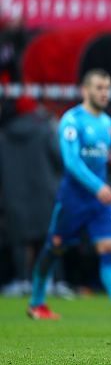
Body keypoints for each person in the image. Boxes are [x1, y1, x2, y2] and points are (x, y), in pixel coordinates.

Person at [27, 69, 111, 320]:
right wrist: (98, 187)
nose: (104, 93)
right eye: (99, 88)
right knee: (54, 248)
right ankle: (36, 302)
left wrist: (101, 189)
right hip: (74, 198)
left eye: (108, 88)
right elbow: (71, 162)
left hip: (100, 201)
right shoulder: (72, 120)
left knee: (109, 246)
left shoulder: (107, 123)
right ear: (85, 90)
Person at [0, 100, 61, 297]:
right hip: (45, 191)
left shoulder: (4, 134)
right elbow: (59, 159)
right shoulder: (45, 130)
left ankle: (22, 280)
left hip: (14, 193)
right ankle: (49, 280)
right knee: (47, 238)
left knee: (20, 240)